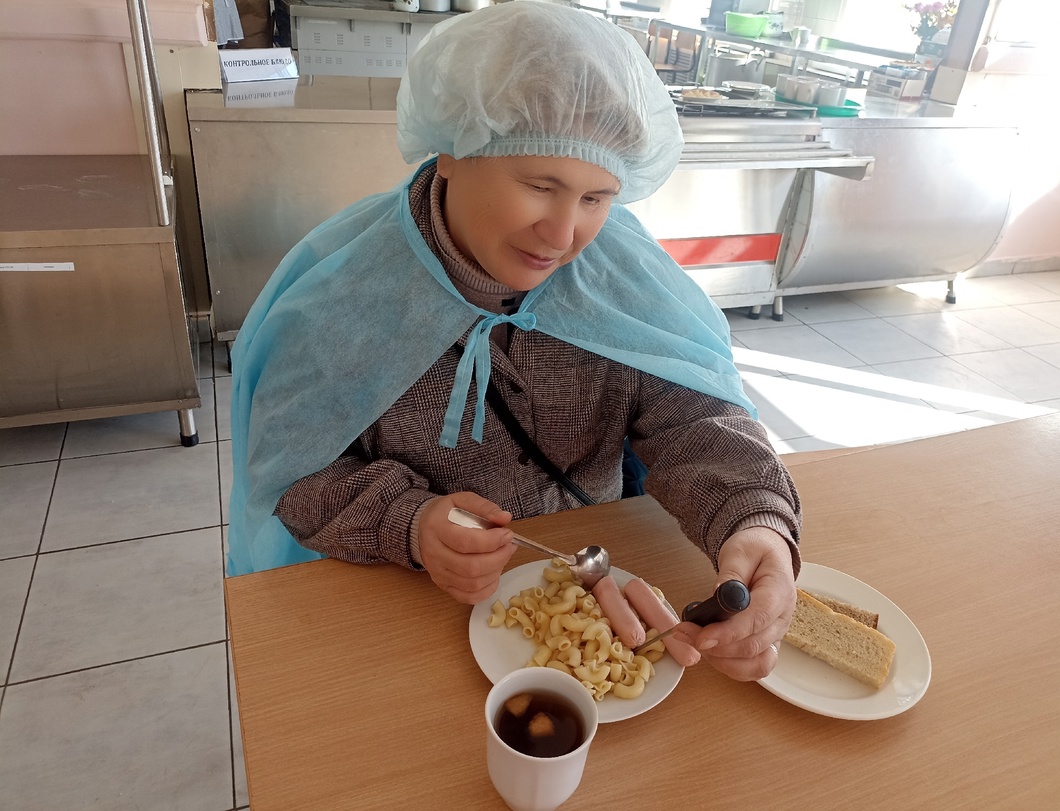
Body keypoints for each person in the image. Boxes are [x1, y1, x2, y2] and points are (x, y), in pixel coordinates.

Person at [228, 1, 801, 682]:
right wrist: (410, 523)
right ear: (453, 149)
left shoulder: (622, 272)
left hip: (591, 597)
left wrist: (754, 519)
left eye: (596, 198)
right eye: (539, 185)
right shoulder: (342, 295)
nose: (563, 235)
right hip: (406, 615)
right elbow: (296, 474)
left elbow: (694, 415)